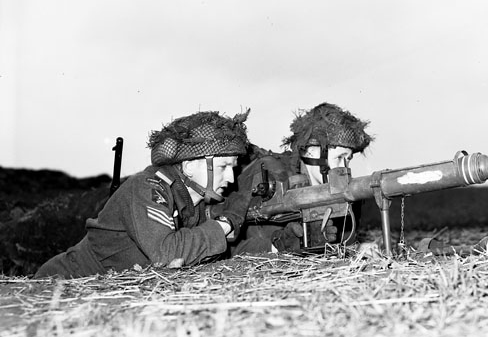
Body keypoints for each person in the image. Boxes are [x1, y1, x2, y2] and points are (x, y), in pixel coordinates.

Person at [35, 110, 253, 278]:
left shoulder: (193, 199)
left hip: (113, 293)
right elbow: (167, 254)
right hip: (64, 283)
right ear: (188, 167)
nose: (231, 178)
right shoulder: (149, 188)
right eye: (224, 167)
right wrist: (224, 224)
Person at [230, 102, 373, 255]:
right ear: (311, 153)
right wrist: (279, 244)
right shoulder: (273, 176)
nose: (345, 167)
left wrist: (358, 249)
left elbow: (340, 246)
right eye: (339, 158)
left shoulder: (344, 193)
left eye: (348, 159)